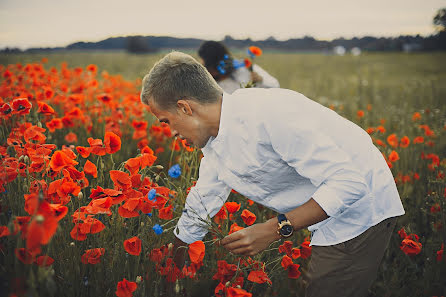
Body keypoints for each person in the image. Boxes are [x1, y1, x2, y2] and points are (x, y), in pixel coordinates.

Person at [140, 52, 405, 297]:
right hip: (329, 204)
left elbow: (349, 183)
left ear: (185, 107)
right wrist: (168, 276)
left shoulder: (268, 115)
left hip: (361, 209)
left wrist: (271, 230)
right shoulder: (216, 141)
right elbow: (200, 205)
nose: (171, 133)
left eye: (166, 121)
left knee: (324, 287)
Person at [198, 40, 280, 94]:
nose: (205, 70)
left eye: (207, 66)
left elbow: (275, 86)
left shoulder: (247, 69)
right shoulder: (209, 86)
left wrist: (261, 80)